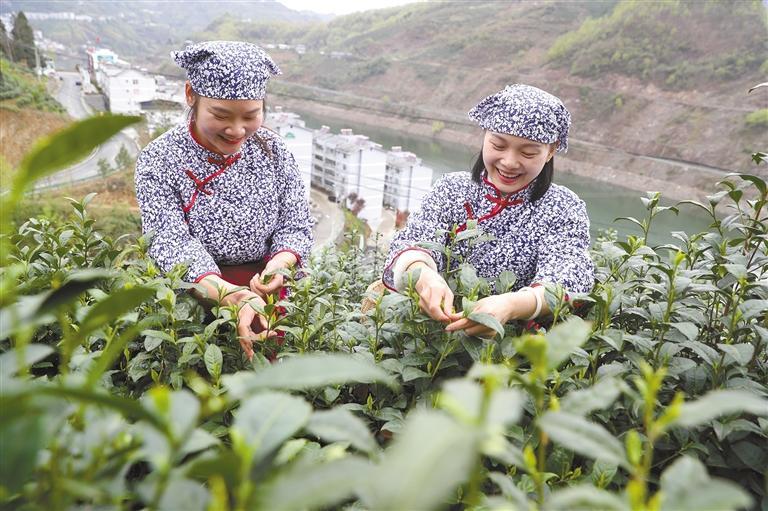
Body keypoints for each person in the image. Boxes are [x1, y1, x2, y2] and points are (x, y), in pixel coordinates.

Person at [135, 41, 313, 360]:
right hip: (199, 293)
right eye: (220, 115)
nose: (236, 130)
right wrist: (226, 293)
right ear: (191, 95)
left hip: (270, 291)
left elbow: (296, 225)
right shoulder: (160, 159)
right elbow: (169, 240)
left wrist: (280, 265)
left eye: (251, 115)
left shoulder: (274, 152)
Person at [382, 84, 594, 337]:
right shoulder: (452, 189)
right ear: (485, 135)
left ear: (550, 150)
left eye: (528, 152)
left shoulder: (563, 208)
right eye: (498, 145)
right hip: (430, 337)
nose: (509, 162)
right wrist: (424, 276)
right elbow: (414, 240)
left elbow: (569, 276)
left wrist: (512, 306)